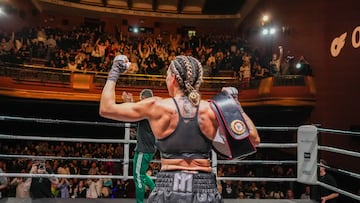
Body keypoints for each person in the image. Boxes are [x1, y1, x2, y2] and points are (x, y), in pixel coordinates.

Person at [100, 55, 260, 202]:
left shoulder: (157, 106)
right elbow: (253, 139)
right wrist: (234, 106)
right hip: (203, 187)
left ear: (174, 79)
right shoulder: (211, 109)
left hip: (168, 186)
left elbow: (106, 108)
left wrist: (114, 72)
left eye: (167, 76)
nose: (166, 79)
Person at [122, 89, 156, 203]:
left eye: (141, 99)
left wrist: (129, 102)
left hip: (144, 149)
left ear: (145, 99)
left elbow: (134, 112)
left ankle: (140, 202)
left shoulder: (148, 111)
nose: (140, 101)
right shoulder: (152, 110)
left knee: (139, 177)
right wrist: (130, 102)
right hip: (146, 148)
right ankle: (157, 193)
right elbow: (136, 111)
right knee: (140, 174)